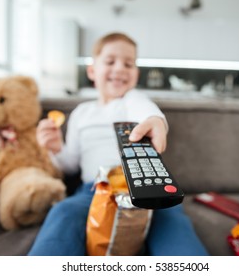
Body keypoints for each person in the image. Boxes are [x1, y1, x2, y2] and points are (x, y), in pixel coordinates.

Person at [28, 32, 208, 256]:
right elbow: (71, 165)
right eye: (110, 61)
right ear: (92, 71)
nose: (120, 68)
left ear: (136, 74)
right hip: (92, 190)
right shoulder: (81, 114)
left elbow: (147, 112)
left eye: (128, 64)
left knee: (172, 220)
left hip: (145, 186)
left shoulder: (133, 100)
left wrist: (155, 121)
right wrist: (55, 149)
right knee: (64, 211)